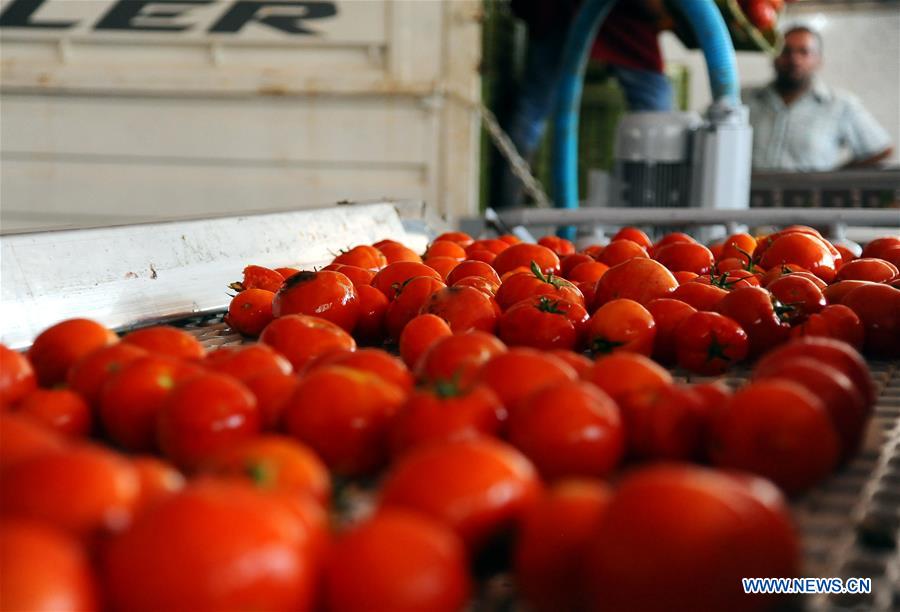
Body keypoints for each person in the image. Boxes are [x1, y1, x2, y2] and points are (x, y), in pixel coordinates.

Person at [498, 0, 672, 208]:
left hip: (578, 13)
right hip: (606, 14)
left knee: (533, 109)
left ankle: (508, 209)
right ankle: (509, 209)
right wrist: (662, 13)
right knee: (657, 110)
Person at [744, 25, 892, 171]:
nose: (794, 59)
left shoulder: (841, 104)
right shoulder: (744, 99)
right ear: (774, 57)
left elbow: (881, 150)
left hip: (810, 194)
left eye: (804, 52)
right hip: (742, 192)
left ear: (818, 60)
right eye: (786, 51)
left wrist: (834, 179)